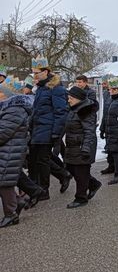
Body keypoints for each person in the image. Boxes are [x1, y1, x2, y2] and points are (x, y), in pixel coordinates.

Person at [28, 56, 71, 200]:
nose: (35, 76)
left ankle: (44, 190)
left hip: (47, 129)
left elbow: (61, 112)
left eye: (37, 73)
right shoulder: (41, 88)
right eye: (33, 73)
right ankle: (63, 175)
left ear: (45, 72)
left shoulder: (55, 88)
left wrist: (56, 133)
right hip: (38, 129)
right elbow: (37, 110)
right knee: (37, 159)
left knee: (42, 160)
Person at [0, 84, 33, 228]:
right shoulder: (8, 108)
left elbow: (3, 132)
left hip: (10, 151)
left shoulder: (14, 110)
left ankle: (11, 214)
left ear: (5, 95)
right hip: (7, 150)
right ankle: (17, 202)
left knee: (4, 183)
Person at [64, 86, 101, 208]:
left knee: (81, 173)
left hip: (82, 146)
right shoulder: (73, 109)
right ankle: (93, 184)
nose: (69, 100)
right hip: (73, 145)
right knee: (71, 168)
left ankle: (81, 198)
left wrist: (85, 149)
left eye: (71, 98)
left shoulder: (86, 111)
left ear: (78, 99)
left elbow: (89, 132)